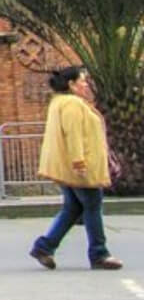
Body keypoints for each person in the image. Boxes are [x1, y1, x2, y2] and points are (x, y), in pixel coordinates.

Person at [29, 67, 122, 271]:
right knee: (92, 205)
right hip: (79, 165)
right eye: (82, 81)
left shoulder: (59, 102)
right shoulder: (72, 104)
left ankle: (44, 246)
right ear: (71, 84)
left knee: (73, 207)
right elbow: (73, 134)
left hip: (67, 164)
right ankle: (99, 253)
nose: (86, 84)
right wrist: (79, 161)